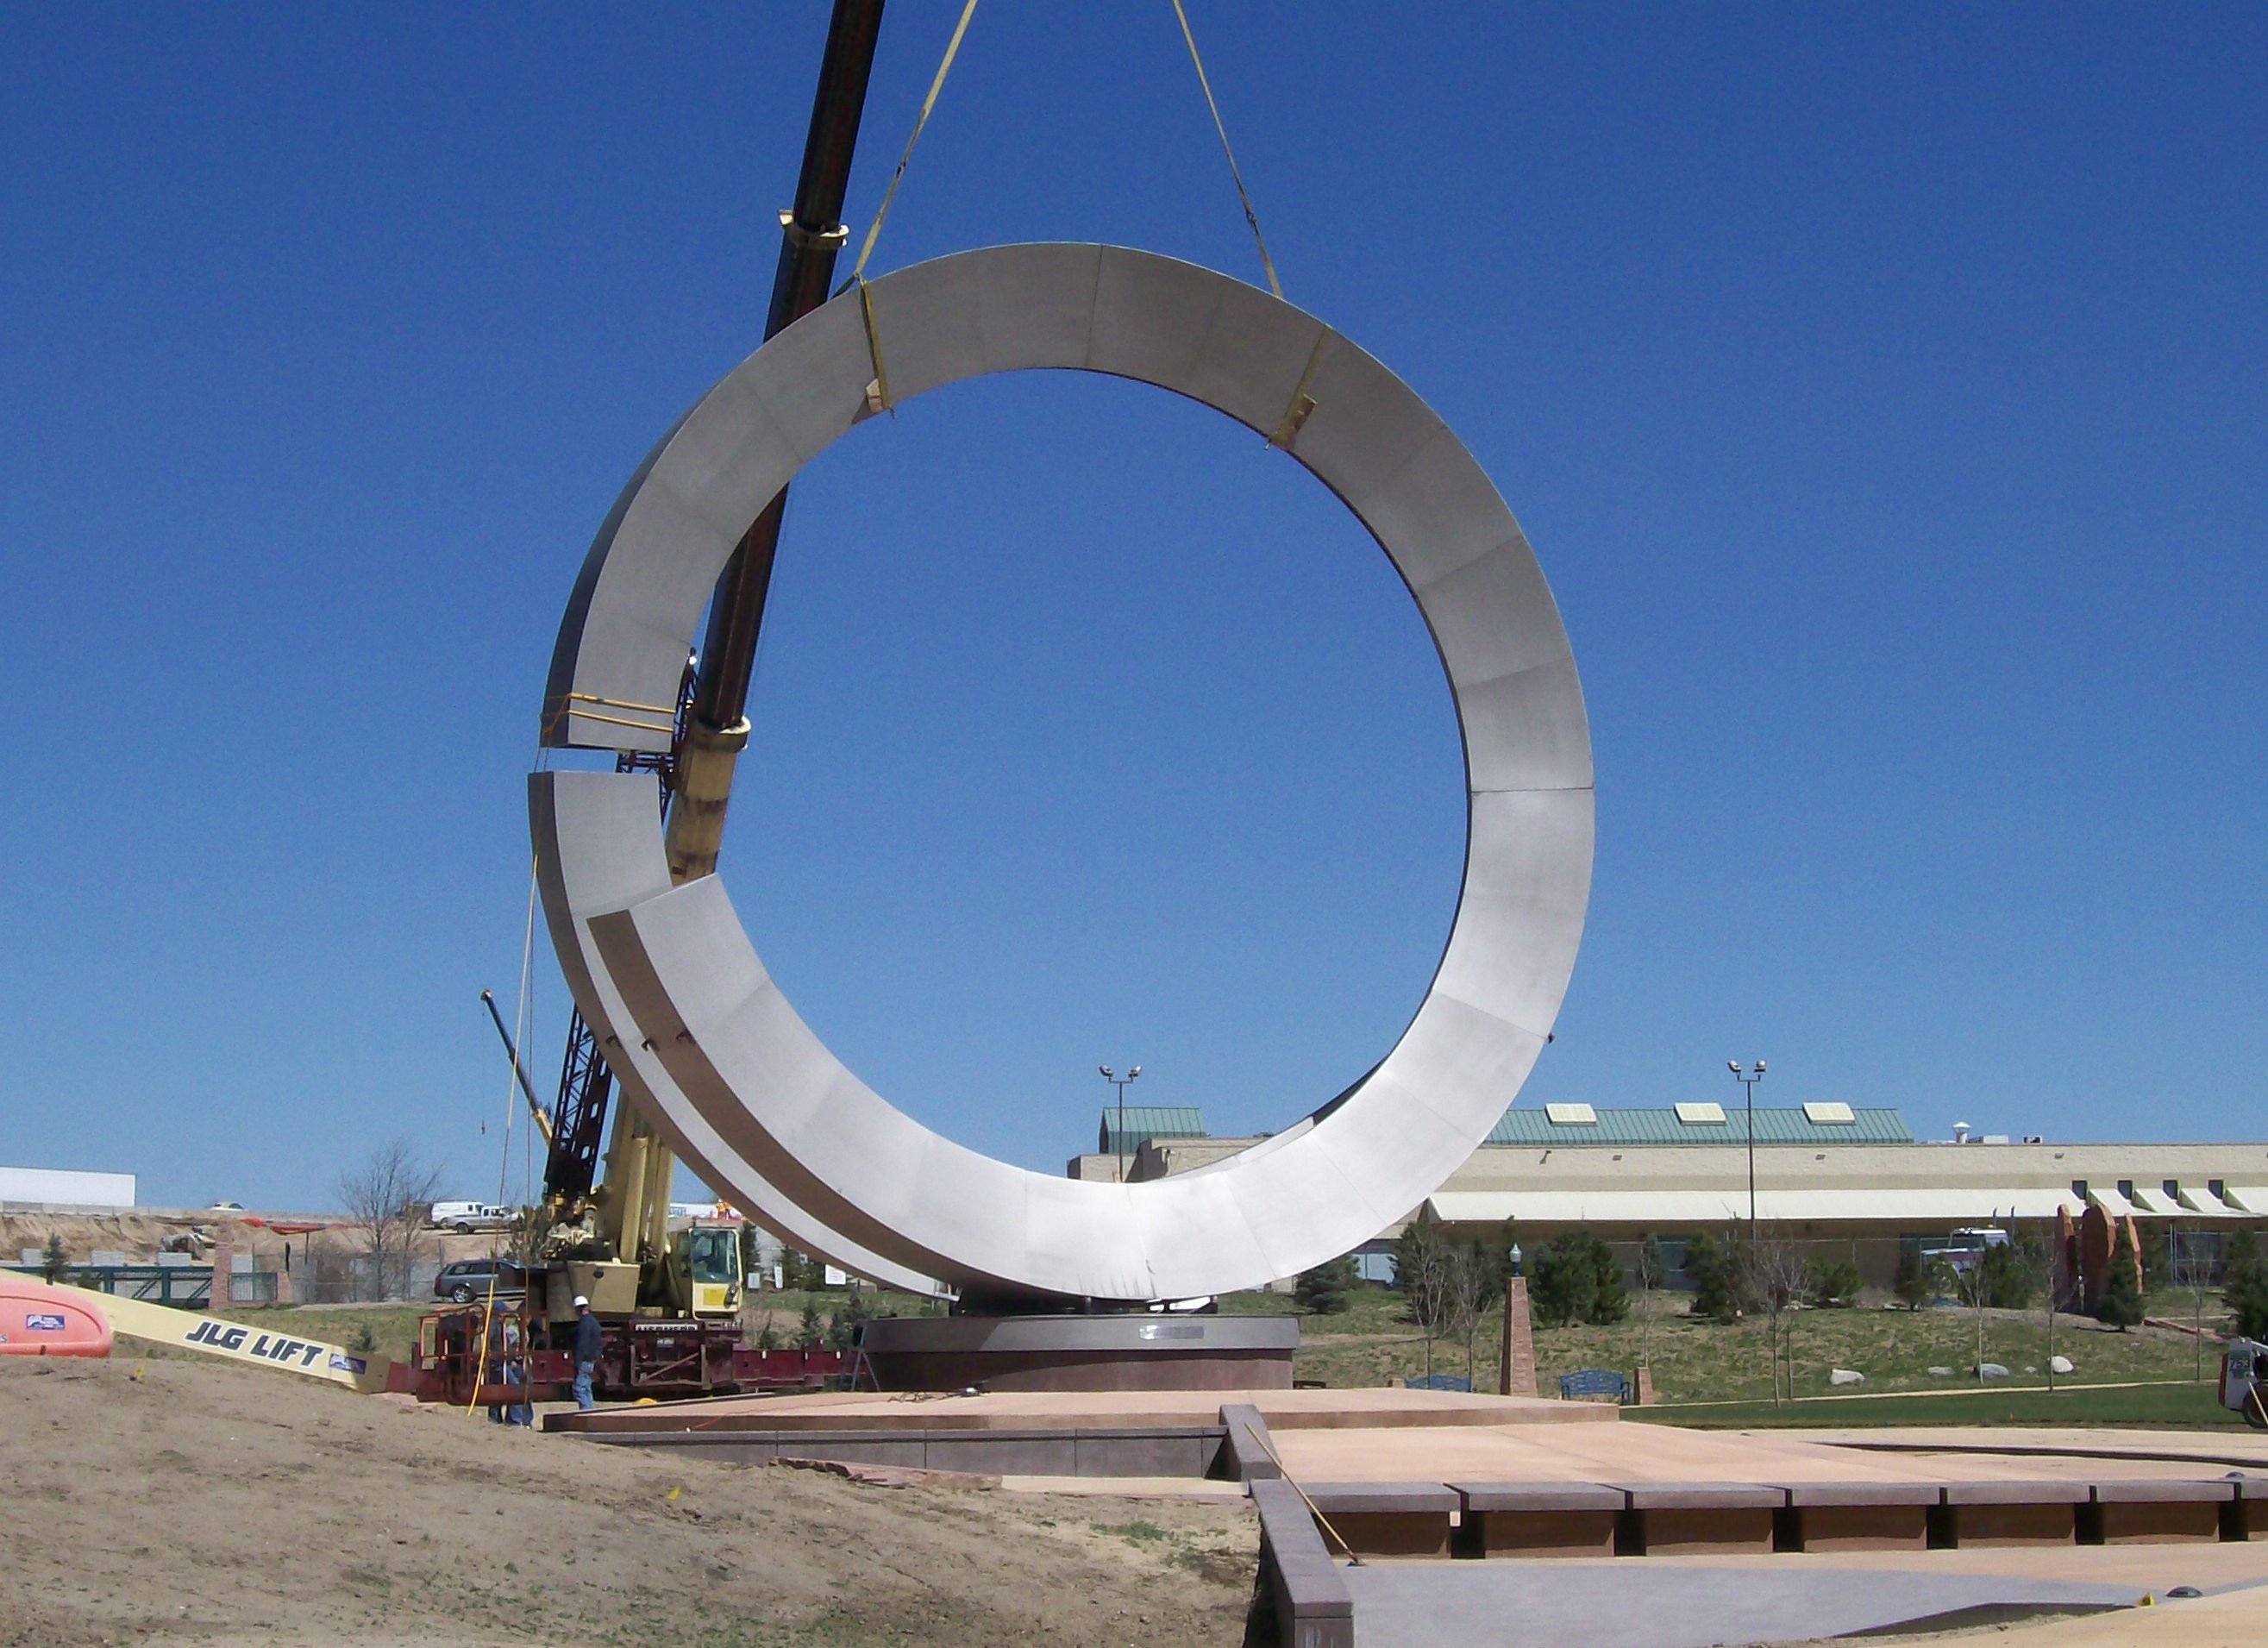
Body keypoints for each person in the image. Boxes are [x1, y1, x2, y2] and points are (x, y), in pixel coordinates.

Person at [571, 1294, 603, 1412]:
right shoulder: (594, 1322)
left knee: (579, 1388)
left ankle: (585, 1411)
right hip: (591, 1360)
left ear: (578, 1309)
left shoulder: (584, 1324)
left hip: (584, 1360)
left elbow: (582, 1343)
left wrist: (577, 1361)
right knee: (587, 1387)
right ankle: (590, 1411)